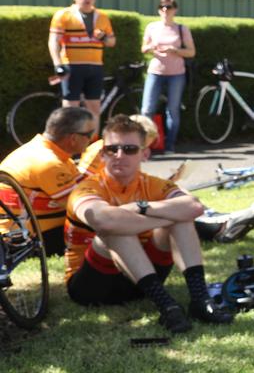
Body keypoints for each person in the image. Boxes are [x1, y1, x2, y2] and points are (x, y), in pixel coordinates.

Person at [63, 115, 234, 332]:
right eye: (112, 149)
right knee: (115, 229)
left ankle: (200, 300)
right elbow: (102, 220)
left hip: (142, 282)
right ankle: (168, 307)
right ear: (103, 154)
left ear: (145, 154)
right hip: (91, 287)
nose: (119, 155)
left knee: (180, 220)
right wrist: (164, 215)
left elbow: (195, 207)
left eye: (129, 149)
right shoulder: (88, 187)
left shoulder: (153, 185)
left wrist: (141, 207)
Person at [0, 107, 95, 255]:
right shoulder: (49, 163)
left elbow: (84, 188)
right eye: (90, 134)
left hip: (23, 231)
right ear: (73, 138)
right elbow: (82, 207)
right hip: (24, 240)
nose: (92, 139)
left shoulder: (44, 151)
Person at [49, 0, 115, 116]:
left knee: (94, 109)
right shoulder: (63, 15)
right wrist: (58, 65)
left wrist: (103, 38)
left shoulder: (102, 17)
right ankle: (69, 137)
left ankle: (94, 137)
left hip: (95, 67)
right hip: (72, 66)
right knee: (70, 109)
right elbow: (53, 41)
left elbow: (112, 42)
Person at [141, 0, 195, 153]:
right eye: (163, 7)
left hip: (176, 74)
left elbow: (191, 52)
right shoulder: (152, 27)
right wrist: (152, 47)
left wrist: (175, 50)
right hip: (155, 72)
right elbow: (143, 48)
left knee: (172, 110)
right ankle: (144, 145)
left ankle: (170, 145)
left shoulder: (181, 29)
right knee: (147, 110)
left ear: (175, 10)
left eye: (169, 7)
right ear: (159, 10)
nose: (166, 10)